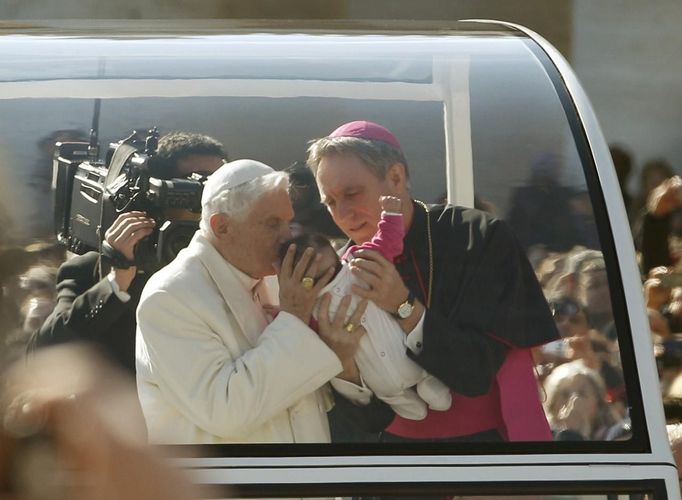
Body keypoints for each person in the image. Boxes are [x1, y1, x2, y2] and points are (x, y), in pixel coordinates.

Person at [307, 120, 560, 442]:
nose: (342, 213)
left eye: (352, 194)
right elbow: (363, 418)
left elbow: (479, 369)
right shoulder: (337, 271)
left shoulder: (476, 237)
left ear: (396, 177)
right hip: (392, 463)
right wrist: (342, 362)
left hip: (483, 451)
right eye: (329, 202)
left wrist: (404, 307)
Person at [135, 159, 371, 444]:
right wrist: (294, 317)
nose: (287, 236)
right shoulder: (170, 297)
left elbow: (305, 396)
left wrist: (342, 362)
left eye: (287, 221)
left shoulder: (274, 275)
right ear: (222, 226)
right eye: (272, 224)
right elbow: (225, 412)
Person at [28, 131, 227, 375]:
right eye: (194, 186)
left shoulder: (230, 267)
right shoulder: (96, 269)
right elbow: (44, 353)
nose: (209, 199)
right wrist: (116, 283)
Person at [278, 195, 451, 421]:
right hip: (376, 377)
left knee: (420, 372)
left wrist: (390, 215)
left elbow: (388, 242)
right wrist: (284, 315)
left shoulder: (358, 264)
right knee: (390, 391)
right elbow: (302, 332)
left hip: (407, 353)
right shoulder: (311, 305)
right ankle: (399, 400)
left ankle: (427, 383)